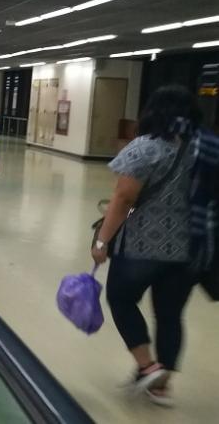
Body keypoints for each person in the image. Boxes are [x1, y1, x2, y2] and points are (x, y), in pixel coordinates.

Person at [93, 85, 209, 407]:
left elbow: (124, 198)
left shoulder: (146, 146)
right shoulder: (205, 150)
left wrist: (102, 240)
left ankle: (147, 366)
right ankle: (161, 387)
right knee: (170, 314)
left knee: (121, 298)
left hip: (141, 245)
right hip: (188, 249)